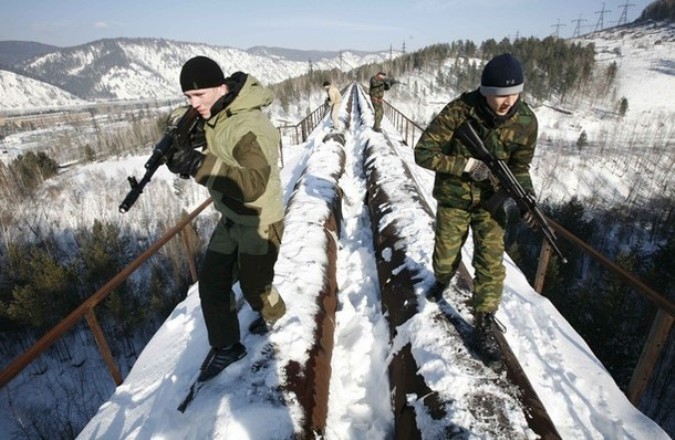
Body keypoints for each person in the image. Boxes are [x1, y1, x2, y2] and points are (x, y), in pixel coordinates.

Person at [166, 55, 287, 382]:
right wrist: (183, 141)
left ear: (221, 86)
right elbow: (211, 132)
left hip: (260, 219)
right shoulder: (216, 113)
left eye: (199, 95)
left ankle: (277, 315)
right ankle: (227, 346)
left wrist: (197, 165)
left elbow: (251, 185)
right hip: (231, 216)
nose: (194, 104)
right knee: (212, 282)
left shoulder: (250, 125)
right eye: (187, 98)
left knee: (255, 288)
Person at [413, 53, 538, 365]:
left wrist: (527, 199)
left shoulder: (526, 123)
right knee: (444, 258)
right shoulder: (460, 110)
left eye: (512, 94)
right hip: (454, 198)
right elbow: (423, 153)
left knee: (491, 264)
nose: (506, 102)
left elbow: (521, 168)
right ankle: (442, 279)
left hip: (491, 204)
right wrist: (465, 164)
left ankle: (483, 323)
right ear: (485, 92)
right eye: (498, 96)